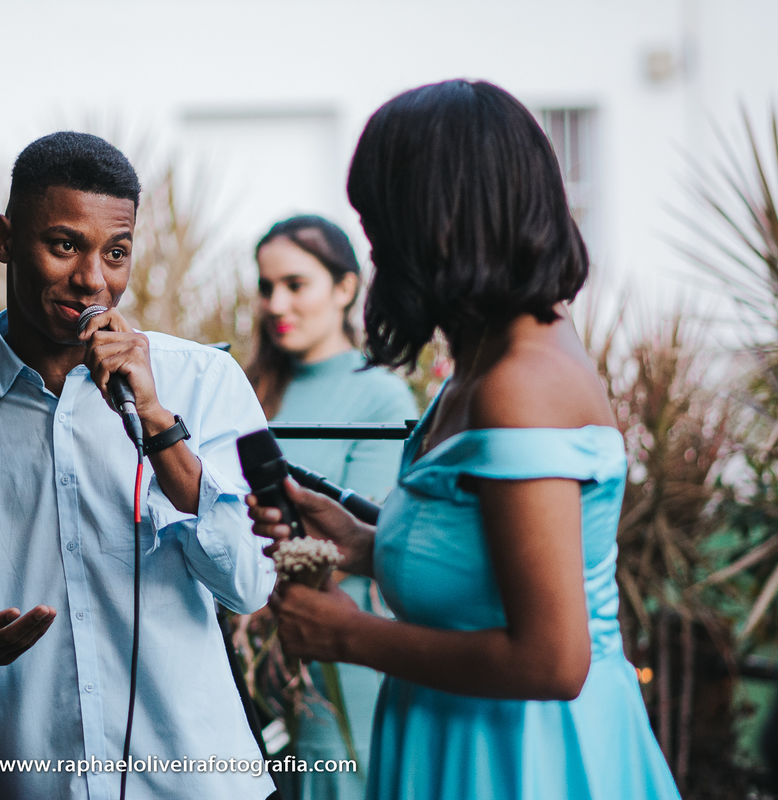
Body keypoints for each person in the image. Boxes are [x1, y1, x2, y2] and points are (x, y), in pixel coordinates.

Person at [249, 80, 681, 800]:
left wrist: (348, 637)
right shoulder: (486, 358)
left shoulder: (523, 383)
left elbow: (551, 660)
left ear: (434, 221)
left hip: (523, 761)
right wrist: (366, 542)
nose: (376, 247)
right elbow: (491, 557)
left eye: (380, 221)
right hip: (460, 738)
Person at [0, 131, 278, 799]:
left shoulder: (206, 380)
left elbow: (250, 582)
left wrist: (159, 424)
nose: (94, 279)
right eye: (65, 245)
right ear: (5, 240)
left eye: (116, 253)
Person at [245, 215, 417, 799]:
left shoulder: (380, 393)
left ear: (345, 289)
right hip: (258, 664)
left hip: (341, 655)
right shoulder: (252, 388)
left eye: (296, 284)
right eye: (267, 286)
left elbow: (360, 537)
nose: (277, 302)